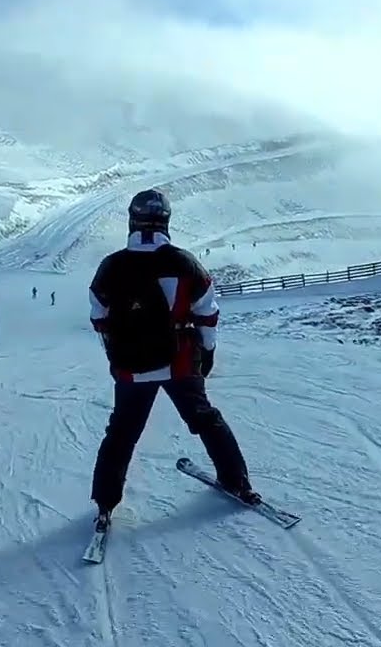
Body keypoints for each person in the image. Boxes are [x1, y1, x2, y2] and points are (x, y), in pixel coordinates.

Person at [87, 188, 258, 532]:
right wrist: (206, 352)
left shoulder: (111, 266)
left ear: (132, 221)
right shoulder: (184, 263)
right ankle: (237, 481)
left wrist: (117, 350)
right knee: (205, 419)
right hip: (180, 362)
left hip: (131, 366)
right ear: (166, 222)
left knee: (121, 433)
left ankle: (106, 503)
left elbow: (99, 317)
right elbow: (207, 314)